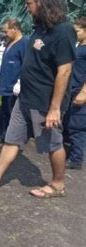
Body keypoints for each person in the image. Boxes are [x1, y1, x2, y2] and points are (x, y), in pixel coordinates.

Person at [0, 0, 76, 198]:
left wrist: (55, 108)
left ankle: (58, 184)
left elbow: (65, 70)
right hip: (25, 98)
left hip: (44, 102)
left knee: (53, 144)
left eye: (30, 3)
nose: (28, 7)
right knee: (11, 140)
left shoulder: (63, 31)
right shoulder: (40, 28)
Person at [0, 19, 29, 144]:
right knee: (5, 112)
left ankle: (14, 138)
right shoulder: (9, 43)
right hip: (5, 85)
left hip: (14, 87)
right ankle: (4, 135)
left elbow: (26, 65)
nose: (4, 34)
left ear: (15, 29)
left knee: (14, 114)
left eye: (6, 31)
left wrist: (20, 82)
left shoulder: (24, 43)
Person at [63, 17, 86, 170]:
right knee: (69, 123)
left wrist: (83, 92)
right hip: (72, 90)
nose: (75, 34)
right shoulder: (80, 46)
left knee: (77, 126)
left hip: (80, 92)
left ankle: (76, 159)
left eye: (77, 31)